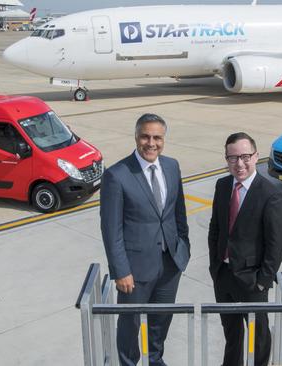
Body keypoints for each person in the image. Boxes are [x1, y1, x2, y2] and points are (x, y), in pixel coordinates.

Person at [100, 113, 190, 366]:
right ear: (136, 137)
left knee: (161, 320)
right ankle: (128, 362)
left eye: (157, 138)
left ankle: (155, 360)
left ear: (164, 140)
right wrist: (120, 270)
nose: (151, 143)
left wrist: (183, 247)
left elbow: (178, 212)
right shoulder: (117, 175)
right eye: (145, 136)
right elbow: (111, 229)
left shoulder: (172, 166)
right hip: (134, 271)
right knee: (129, 325)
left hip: (170, 263)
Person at [208, 132, 282, 366]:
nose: (239, 163)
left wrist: (263, 280)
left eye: (245, 156)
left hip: (252, 281)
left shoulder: (270, 194)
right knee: (232, 334)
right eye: (232, 158)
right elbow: (215, 229)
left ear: (256, 156)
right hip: (223, 276)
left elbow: (277, 245)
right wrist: (215, 266)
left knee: (258, 336)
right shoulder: (222, 186)